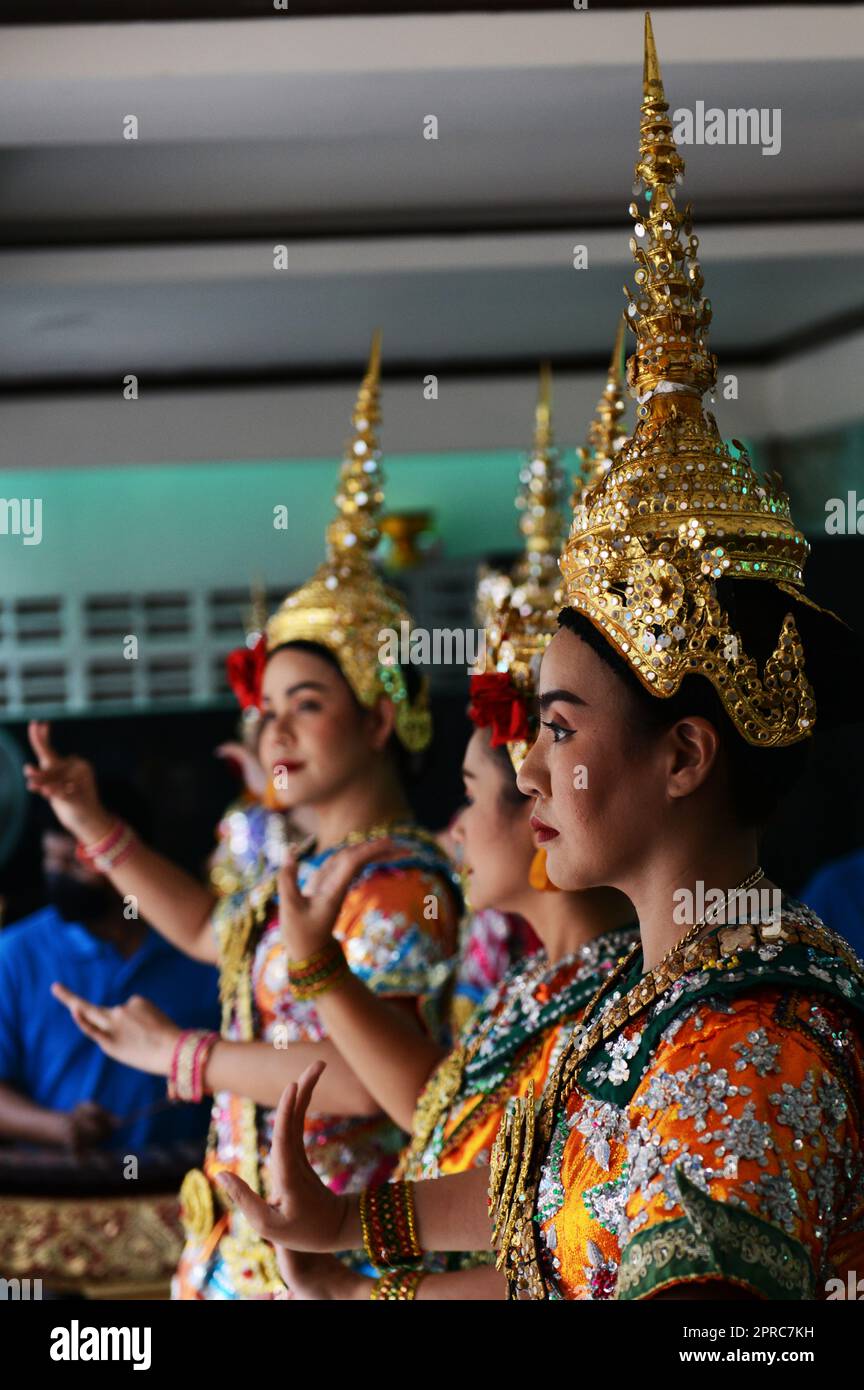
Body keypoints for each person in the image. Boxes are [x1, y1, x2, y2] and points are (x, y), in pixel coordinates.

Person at [211, 16, 864, 1303]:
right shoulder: (633, 988)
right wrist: (349, 1249)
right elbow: (533, 1214)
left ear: (683, 752)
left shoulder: (759, 1044)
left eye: (559, 728)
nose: (531, 770)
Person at [26, 332, 462, 1300]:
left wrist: (176, 1054)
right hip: (247, 1242)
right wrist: (93, 819)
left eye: (305, 703)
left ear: (381, 717)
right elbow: (203, 929)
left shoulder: (397, 881)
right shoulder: (310, 867)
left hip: (340, 1251)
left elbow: (366, 1081)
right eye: (265, 710)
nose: (273, 732)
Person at [217, 350, 638, 1300]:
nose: (459, 828)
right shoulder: (541, 981)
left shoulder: (414, 889)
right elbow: (508, 1186)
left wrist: (187, 1055)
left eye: (485, 788)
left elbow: (578, 1257)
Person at [0, 787, 219, 1155]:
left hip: (187, 1175)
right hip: (63, 1189)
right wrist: (61, 1127)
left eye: (74, 864)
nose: (57, 876)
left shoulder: (200, 944)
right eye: (50, 860)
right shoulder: (14, 954)